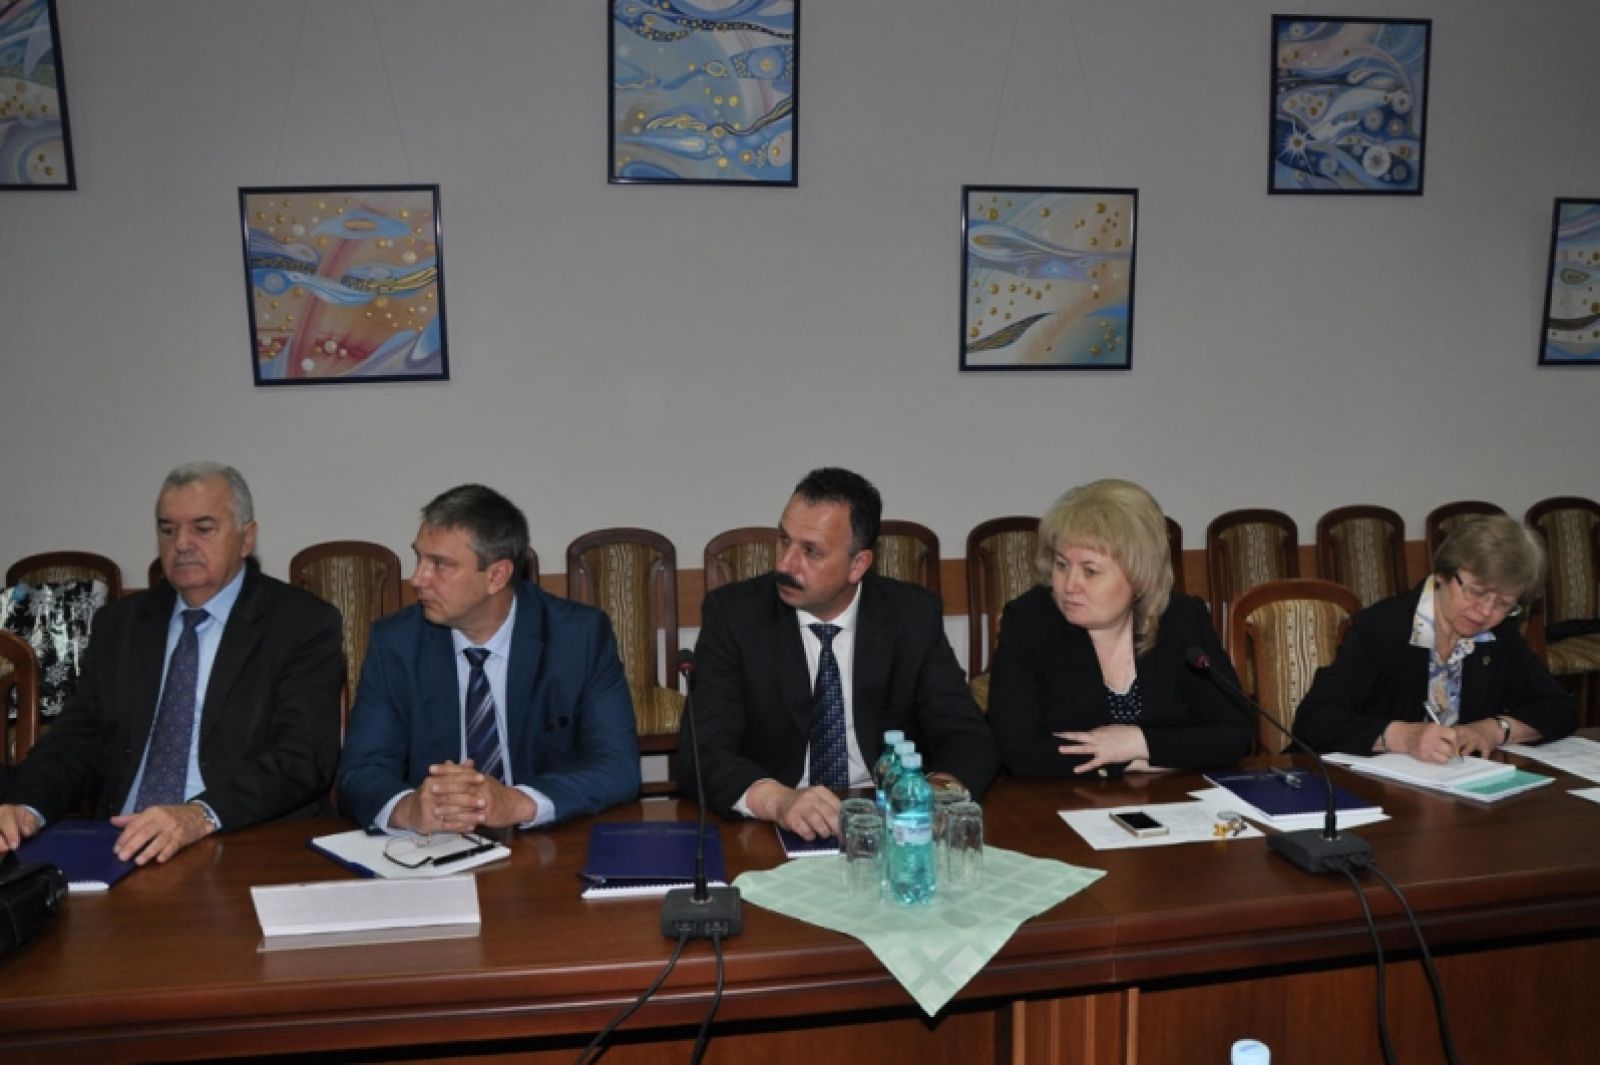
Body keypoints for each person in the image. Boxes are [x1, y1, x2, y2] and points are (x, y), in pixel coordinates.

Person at [0, 462, 344, 864]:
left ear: (246, 538)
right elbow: (76, 739)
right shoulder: (120, 625)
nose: (181, 543)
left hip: (240, 839)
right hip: (120, 840)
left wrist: (201, 814)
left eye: (202, 528)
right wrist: (27, 806)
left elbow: (305, 755)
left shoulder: (301, 623)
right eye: (167, 530)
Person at [681, 467, 998, 839]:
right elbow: (701, 753)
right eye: (784, 540)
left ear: (858, 565)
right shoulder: (735, 616)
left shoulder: (911, 616)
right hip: (772, 825)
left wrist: (934, 792)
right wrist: (778, 800)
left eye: (810, 551)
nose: (785, 564)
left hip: (886, 822)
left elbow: (966, 734)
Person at [338, 485, 639, 833]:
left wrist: (518, 802)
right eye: (419, 558)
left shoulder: (577, 637)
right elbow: (360, 771)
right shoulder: (396, 643)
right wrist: (409, 809)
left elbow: (618, 766)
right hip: (438, 847)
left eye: (440, 565)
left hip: (546, 842)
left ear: (496, 576)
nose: (417, 578)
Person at [987, 479, 1252, 777]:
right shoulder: (1029, 621)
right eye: (1062, 565)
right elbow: (1017, 750)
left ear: (1138, 575)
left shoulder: (1181, 619)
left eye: (1090, 571)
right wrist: (1131, 759)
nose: (1070, 585)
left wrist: (1136, 742)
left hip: (1173, 800)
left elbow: (1234, 736)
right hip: (1062, 801)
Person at [1294, 515, 1575, 761]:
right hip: (1372, 786)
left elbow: (1560, 708)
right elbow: (1314, 721)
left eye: (1503, 603)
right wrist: (1404, 737)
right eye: (1477, 592)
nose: (1485, 611)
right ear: (1442, 573)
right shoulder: (1380, 627)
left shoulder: (1499, 634)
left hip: (1456, 787)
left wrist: (1494, 730)